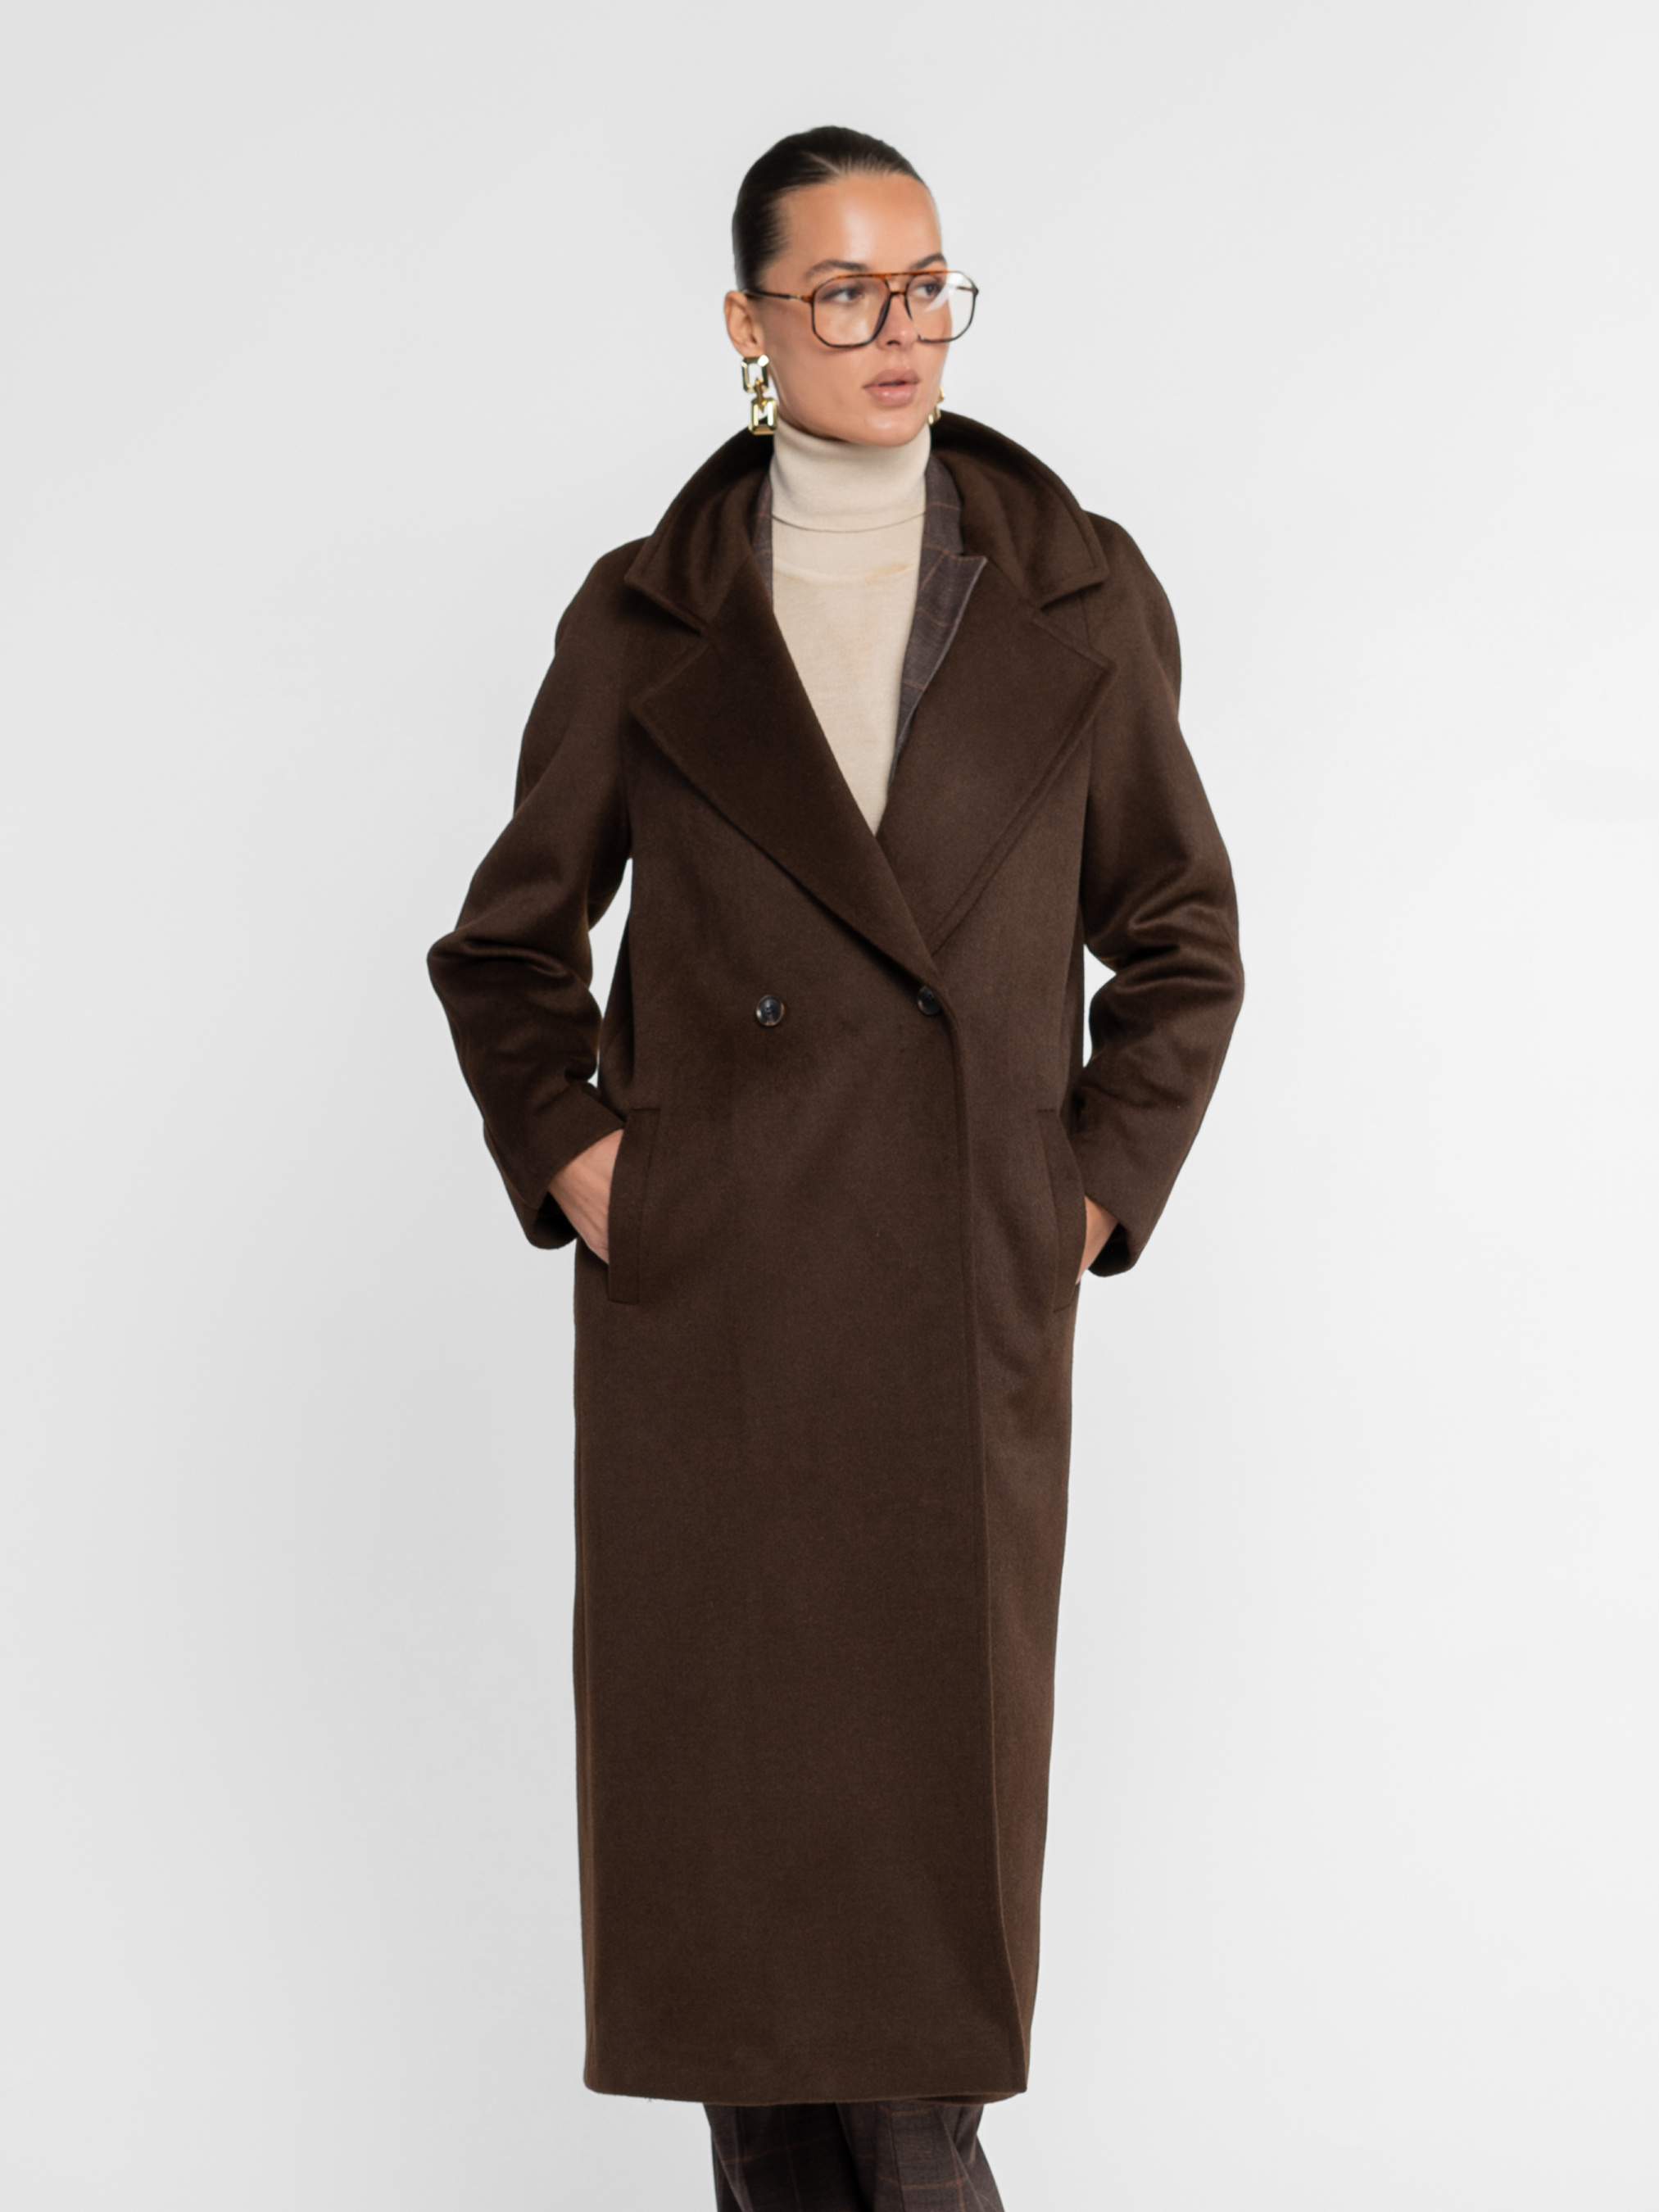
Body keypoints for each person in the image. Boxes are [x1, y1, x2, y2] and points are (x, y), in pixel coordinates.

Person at [428, 124, 1244, 2212]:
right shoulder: (644, 618)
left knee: (906, 2035)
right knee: (757, 2029)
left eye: (927, 284)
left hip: (952, 1322)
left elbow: (1178, 938)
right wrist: (604, 1175)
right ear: (749, 324)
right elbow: (507, 950)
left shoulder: (1075, 590)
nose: (901, 331)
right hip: (718, 1334)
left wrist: (1067, 1204)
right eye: (845, 293)